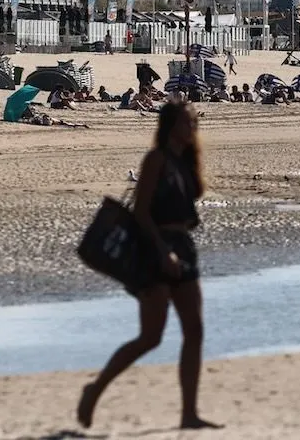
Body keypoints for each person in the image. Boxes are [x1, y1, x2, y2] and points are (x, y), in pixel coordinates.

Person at [77, 102, 220, 431]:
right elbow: (140, 212)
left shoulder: (185, 162)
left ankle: (189, 413)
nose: (194, 128)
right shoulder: (156, 159)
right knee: (151, 336)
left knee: (194, 332)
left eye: (195, 123)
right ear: (172, 126)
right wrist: (161, 251)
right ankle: (95, 389)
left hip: (184, 248)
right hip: (157, 250)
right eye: (189, 122)